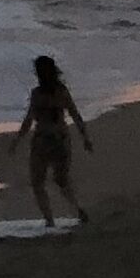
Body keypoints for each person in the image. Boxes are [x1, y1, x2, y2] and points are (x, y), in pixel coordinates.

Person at [13, 52, 90, 227]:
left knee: (38, 182)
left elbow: (29, 120)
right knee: (61, 179)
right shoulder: (62, 91)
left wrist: (17, 140)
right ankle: (78, 208)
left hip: (42, 140)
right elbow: (75, 115)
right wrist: (85, 138)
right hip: (61, 139)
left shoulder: (37, 94)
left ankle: (49, 220)